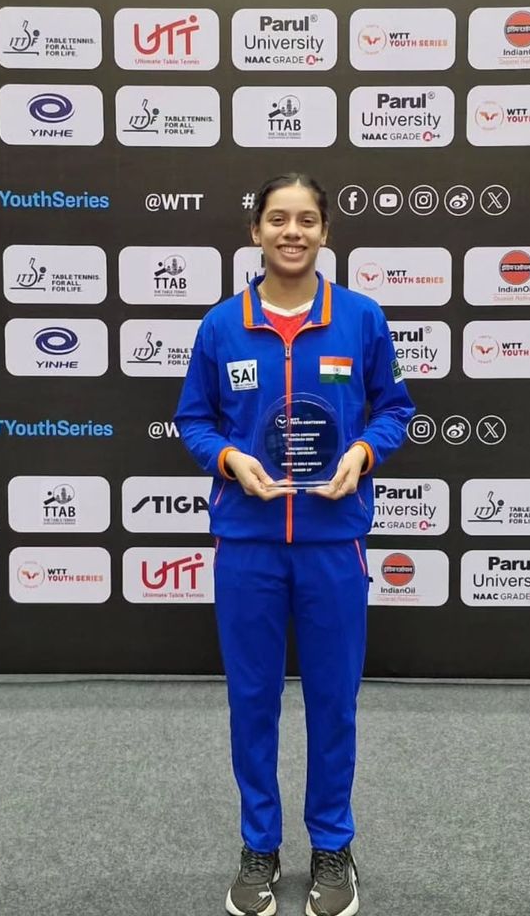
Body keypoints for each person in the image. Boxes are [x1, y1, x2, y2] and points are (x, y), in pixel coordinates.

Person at [175, 174, 415, 916]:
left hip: (332, 543)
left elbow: (396, 410)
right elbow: (194, 420)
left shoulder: (361, 319)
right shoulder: (222, 325)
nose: (292, 232)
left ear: (325, 233)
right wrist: (228, 459)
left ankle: (332, 846)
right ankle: (259, 846)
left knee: (333, 703)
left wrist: (363, 454)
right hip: (247, 543)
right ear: (256, 231)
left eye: (306, 220)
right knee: (252, 701)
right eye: (278, 219)